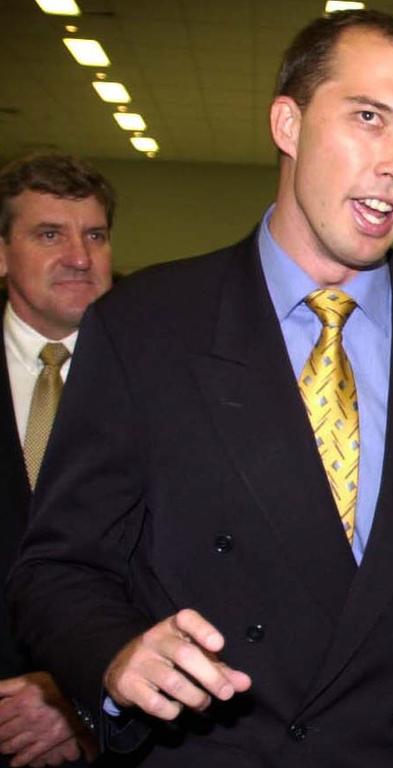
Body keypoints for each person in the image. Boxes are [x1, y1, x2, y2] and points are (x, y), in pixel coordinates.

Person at [7, 11, 393, 767]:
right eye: (368, 119)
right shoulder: (146, 327)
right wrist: (117, 657)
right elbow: (58, 568)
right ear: (288, 122)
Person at [0, 153, 113, 767]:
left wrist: (79, 692)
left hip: (116, 723)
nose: (79, 256)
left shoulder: (169, 374)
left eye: (94, 235)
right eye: (50, 234)